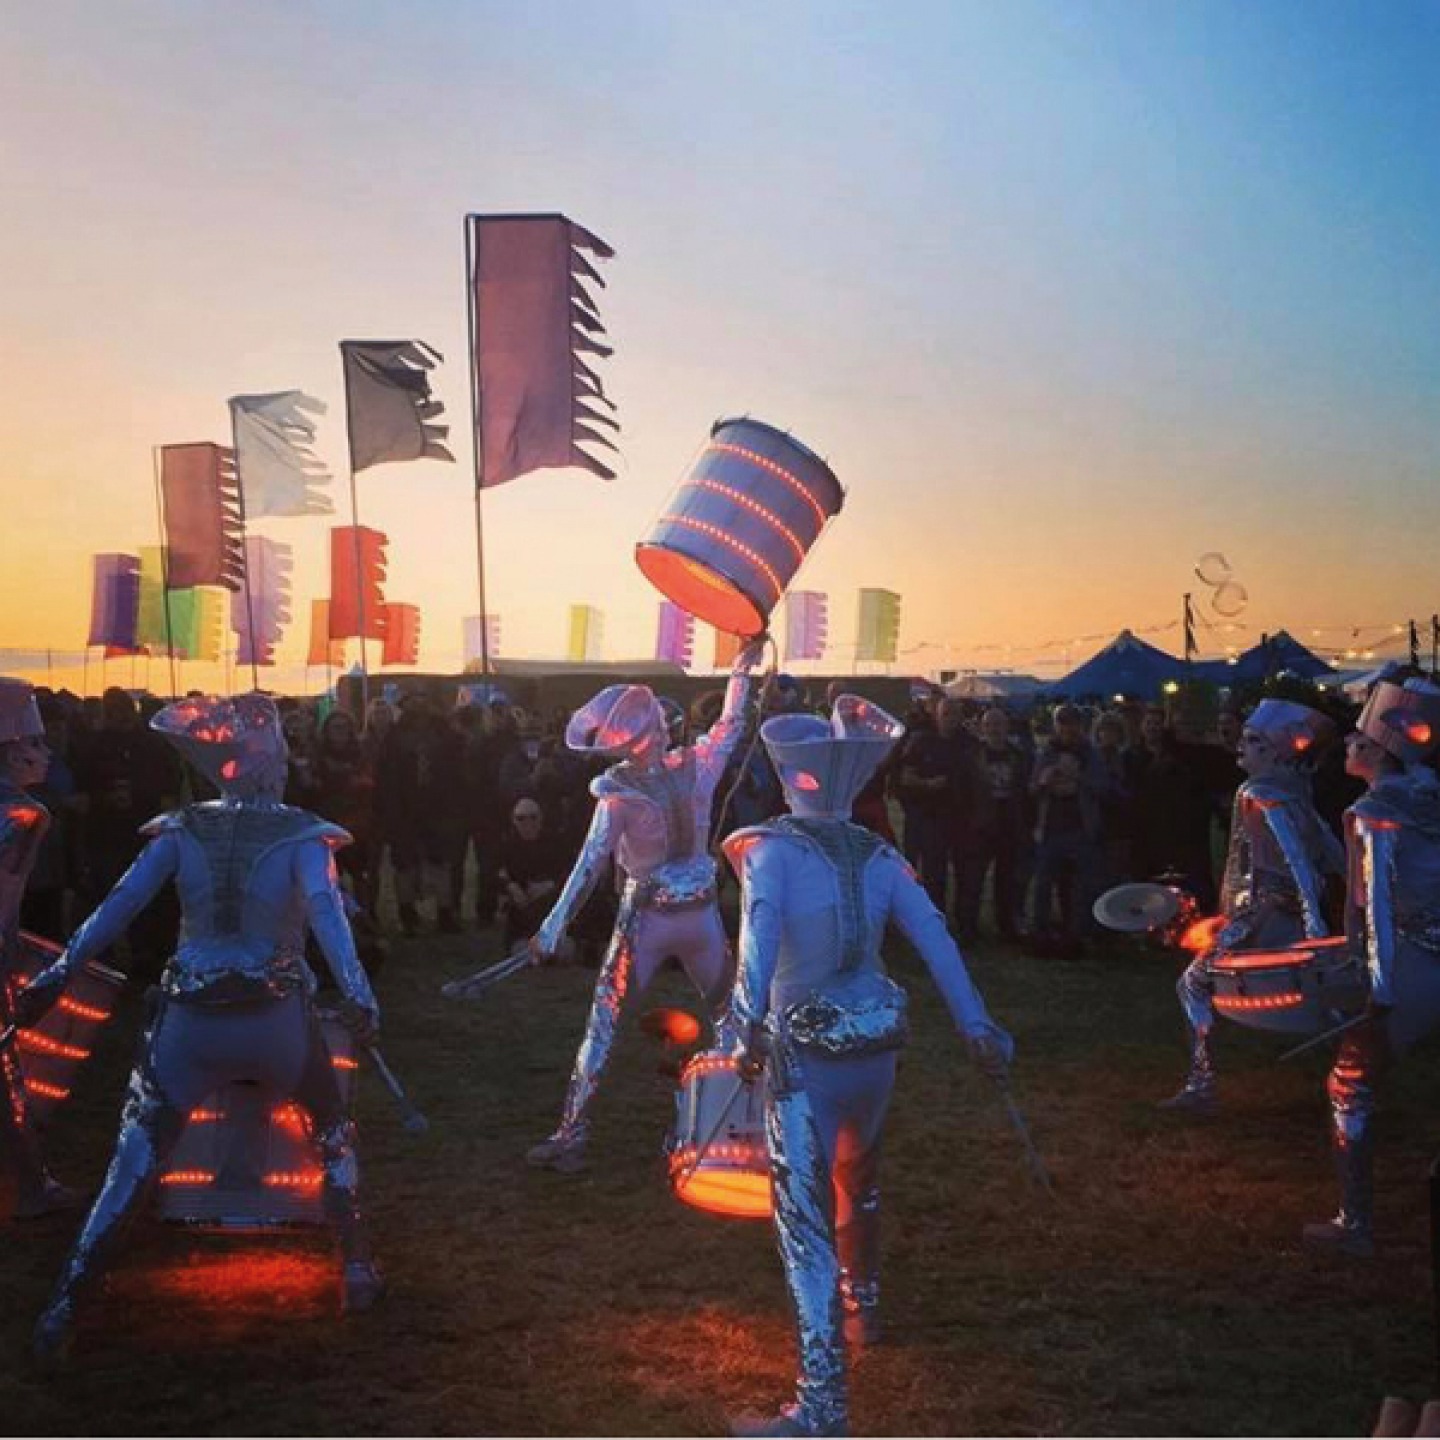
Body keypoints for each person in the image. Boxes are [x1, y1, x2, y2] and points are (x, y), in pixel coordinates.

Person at [17, 694, 383, 1361]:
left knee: (130, 1166)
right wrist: (361, 996)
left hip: (189, 1021)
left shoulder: (180, 830)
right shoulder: (303, 834)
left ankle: (66, 1303)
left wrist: (56, 976)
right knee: (331, 1128)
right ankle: (355, 1267)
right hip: (276, 1019)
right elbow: (328, 916)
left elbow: (118, 907)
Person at [721, 696, 1012, 1437]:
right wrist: (976, 1026)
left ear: (791, 777)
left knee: (804, 1221)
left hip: (800, 1054)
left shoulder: (772, 853)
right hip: (874, 1047)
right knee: (861, 1180)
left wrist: (742, 1031)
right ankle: (865, 1303)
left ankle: (821, 1404)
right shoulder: (880, 855)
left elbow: (756, 948)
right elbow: (938, 939)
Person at [522, 639, 764, 1174]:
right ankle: (732, 1125)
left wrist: (552, 927)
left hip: (671, 918)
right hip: (674, 918)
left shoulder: (654, 781)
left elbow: (589, 865)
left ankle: (733, 1122)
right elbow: (730, 725)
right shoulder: (661, 779)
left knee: (623, 1024)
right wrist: (742, 670)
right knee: (722, 1019)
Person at [1303, 679, 1440, 1257]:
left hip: (1409, 960)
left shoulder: (1371, 811)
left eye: (1359, 738)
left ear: (1381, 752)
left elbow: (1377, 903)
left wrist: (1377, 988)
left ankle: (1353, 1223)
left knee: (1350, 1083)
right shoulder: (1429, 798)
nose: (1349, 747)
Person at [1161, 700, 1345, 1112]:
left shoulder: (1258, 792)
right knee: (1321, 997)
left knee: (1192, 983)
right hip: (1289, 912)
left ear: (1277, 752)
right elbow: (1330, 850)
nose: (1241, 745)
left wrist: (1316, 922)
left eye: (1253, 740)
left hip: (1258, 915)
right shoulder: (1296, 793)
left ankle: (1202, 1084)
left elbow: (1296, 853)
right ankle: (1356, 1075)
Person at [0, 679, 78, 1219]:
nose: (47, 753)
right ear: (12, 748)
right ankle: (31, 1187)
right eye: (37, 743)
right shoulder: (24, 816)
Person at [495, 797, 567, 948]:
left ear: (541, 818)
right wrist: (511, 887)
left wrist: (549, 885)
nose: (528, 823)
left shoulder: (556, 844)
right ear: (513, 821)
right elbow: (496, 874)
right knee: (521, 951)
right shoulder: (507, 845)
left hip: (552, 908)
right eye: (521, 818)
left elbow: (568, 872)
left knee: (564, 951)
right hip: (522, 911)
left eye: (533, 817)